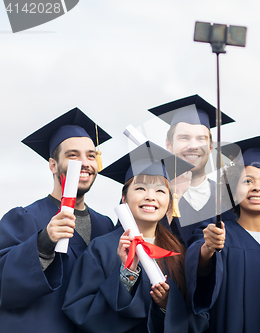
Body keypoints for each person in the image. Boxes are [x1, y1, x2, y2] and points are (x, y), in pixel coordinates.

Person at [63, 141, 209, 333]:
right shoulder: (102, 249)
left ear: (169, 201)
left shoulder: (177, 252)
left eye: (160, 190)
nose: (150, 196)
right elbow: (82, 312)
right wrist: (127, 276)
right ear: (124, 198)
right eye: (140, 188)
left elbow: (200, 318)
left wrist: (167, 304)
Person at [0, 108, 115, 332]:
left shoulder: (105, 226)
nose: (85, 163)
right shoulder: (24, 218)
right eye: (73, 155)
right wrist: (43, 242)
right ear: (52, 164)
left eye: (91, 155)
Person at [185, 134, 260, 333]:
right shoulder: (218, 233)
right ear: (233, 191)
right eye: (247, 180)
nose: (257, 187)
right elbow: (199, 270)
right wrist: (207, 249)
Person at [149, 94, 236, 245]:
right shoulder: (145, 191)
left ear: (210, 147)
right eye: (184, 138)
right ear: (168, 145)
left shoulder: (227, 199)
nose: (193, 146)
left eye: (201, 139)